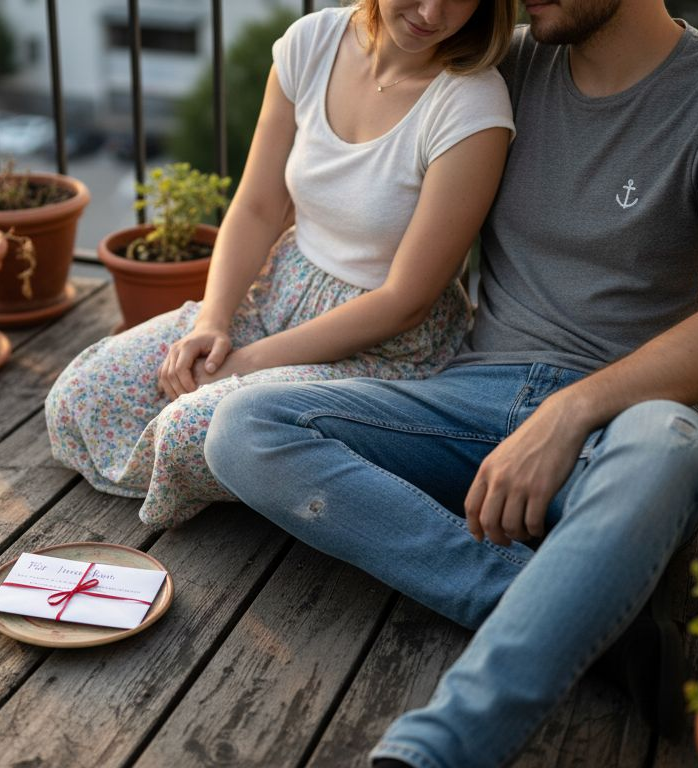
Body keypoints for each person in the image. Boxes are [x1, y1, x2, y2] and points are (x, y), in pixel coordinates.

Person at [203, 0, 698, 765]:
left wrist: (573, 410)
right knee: (244, 428)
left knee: (672, 443)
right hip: (470, 401)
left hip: (628, 424)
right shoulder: (498, 68)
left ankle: (435, 751)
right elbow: (356, 129)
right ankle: (550, 599)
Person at [46, 0, 518, 527]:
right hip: (278, 292)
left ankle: (273, 470)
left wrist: (246, 364)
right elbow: (257, 206)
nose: (433, 12)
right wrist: (213, 321)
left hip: (383, 344)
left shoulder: (471, 104)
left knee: (189, 428)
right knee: (80, 396)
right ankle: (266, 478)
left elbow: (404, 302)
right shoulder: (311, 43)